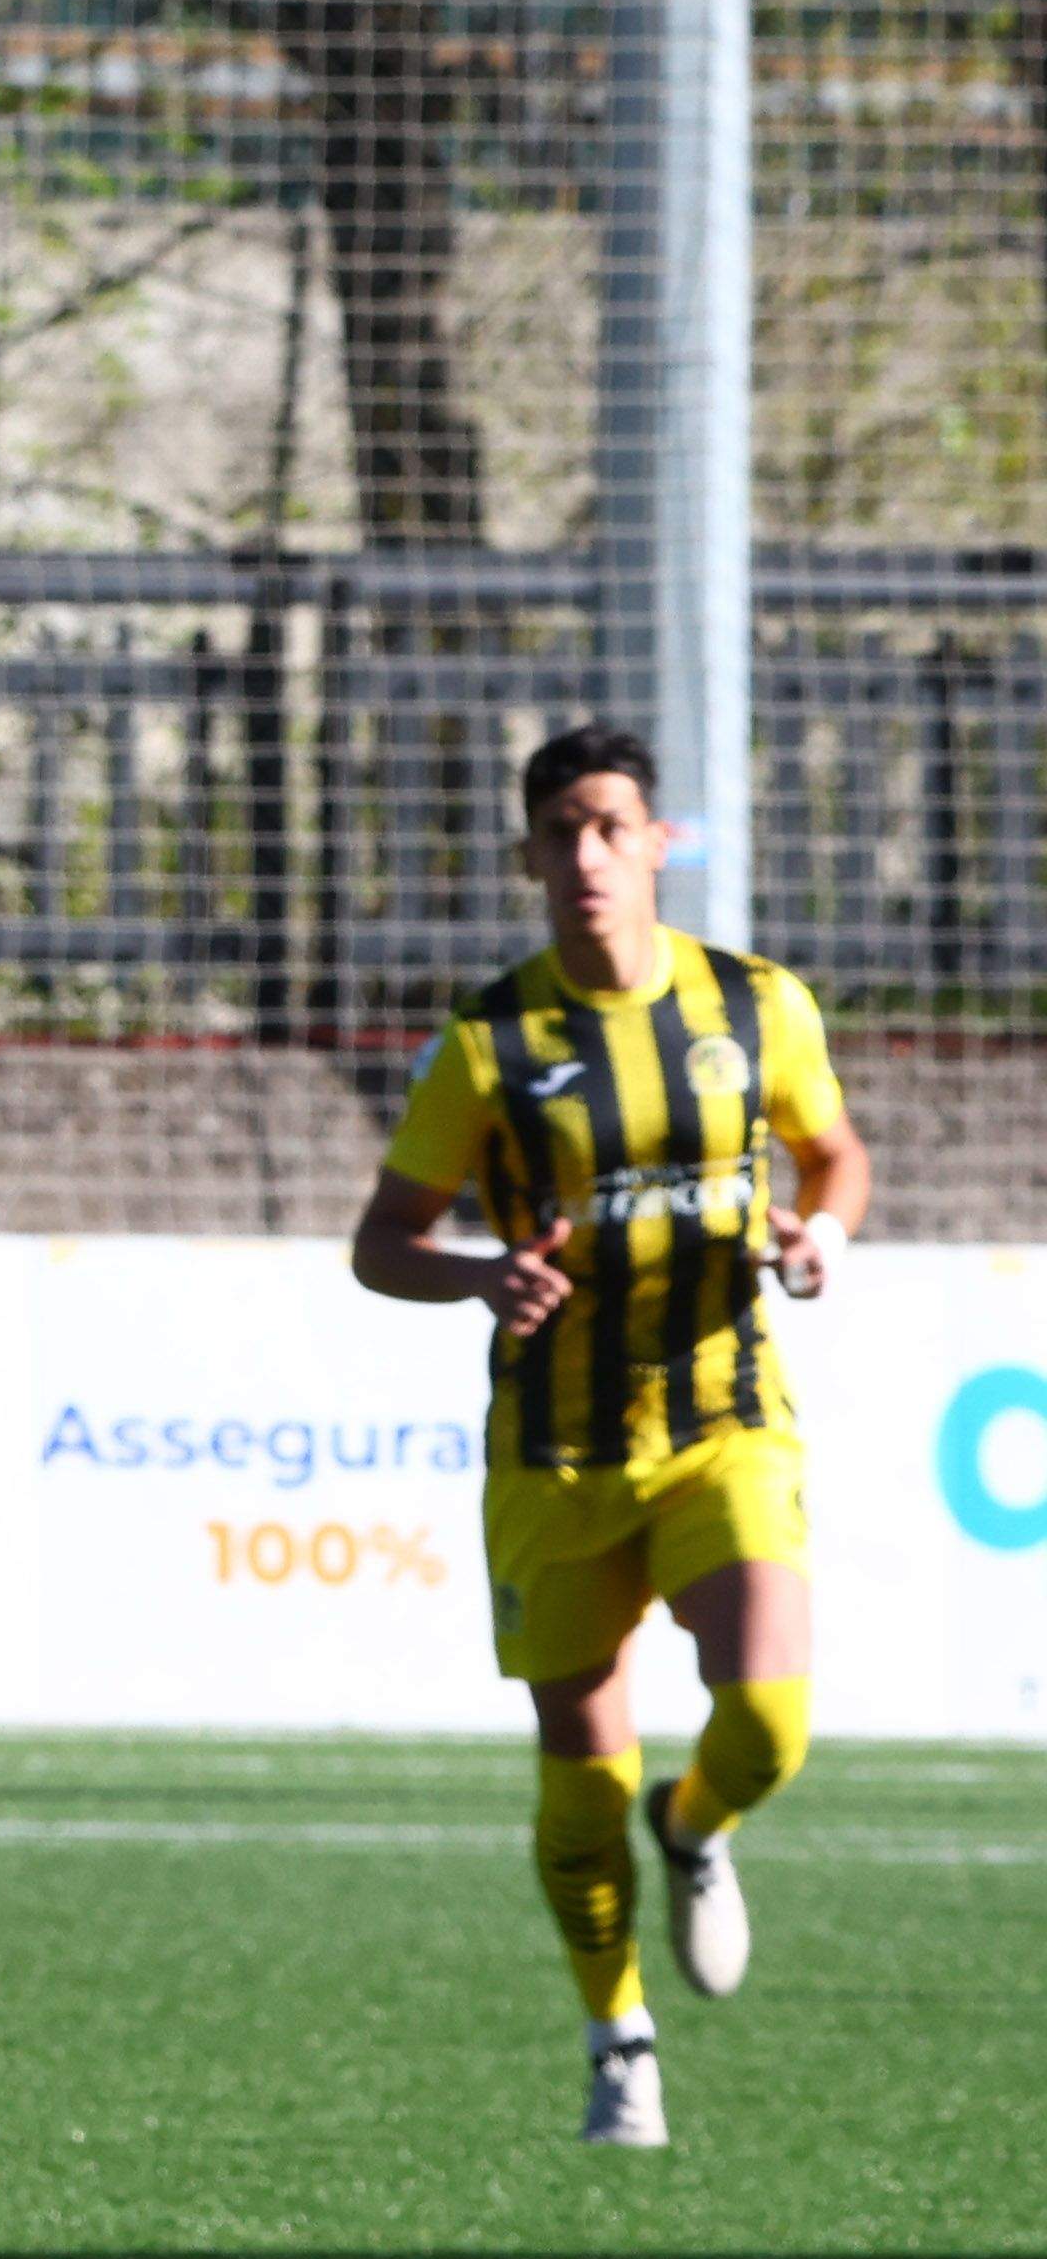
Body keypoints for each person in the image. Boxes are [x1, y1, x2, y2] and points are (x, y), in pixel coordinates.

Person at [350, 723, 871, 2150]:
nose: (586, 855)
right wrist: (478, 1275)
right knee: (581, 1777)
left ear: (656, 842)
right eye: (560, 832)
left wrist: (819, 1237)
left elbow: (834, 1154)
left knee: (769, 1722)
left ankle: (695, 1826)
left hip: (723, 1420)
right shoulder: (489, 1044)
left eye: (609, 826)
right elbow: (382, 1242)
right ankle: (619, 2037)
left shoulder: (757, 1005)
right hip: (557, 1452)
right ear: (528, 857)